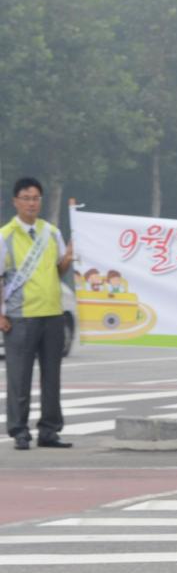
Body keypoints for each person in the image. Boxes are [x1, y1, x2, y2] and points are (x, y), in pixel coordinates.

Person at [2, 177, 75, 450]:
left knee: (51, 376)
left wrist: (67, 259)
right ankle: (19, 431)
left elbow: (59, 271)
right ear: (15, 201)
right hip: (21, 315)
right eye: (26, 198)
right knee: (19, 377)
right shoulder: (5, 235)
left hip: (52, 314)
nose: (31, 203)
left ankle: (49, 431)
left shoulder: (51, 232)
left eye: (36, 198)